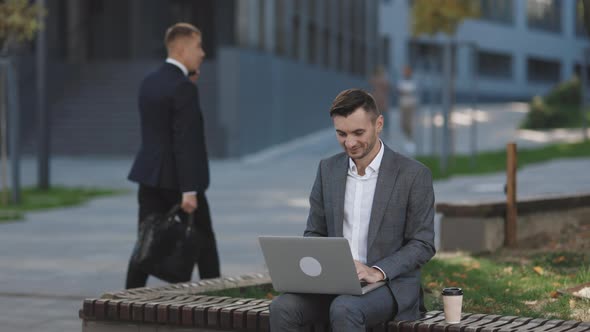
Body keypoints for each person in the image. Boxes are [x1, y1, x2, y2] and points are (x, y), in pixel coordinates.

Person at [269, 89, 435, 331]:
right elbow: (315, 233)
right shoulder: (328, 170)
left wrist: (377, 271)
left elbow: (423, 243)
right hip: (334, 282)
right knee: (282, 308)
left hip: (389, 285)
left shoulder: (413, 174)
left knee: (345, 308)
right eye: (341, 133)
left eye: (358, 133)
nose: (350, 142)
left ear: (378, 124)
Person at [125, 22, 220, 289]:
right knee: (205, 241)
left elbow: (161, 130)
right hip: (179, 182)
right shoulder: (183, 88)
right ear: (180, 49)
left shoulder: (150, 82)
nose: (202, 53)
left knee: (145, 240)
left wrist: (186, 83)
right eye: (198, 46)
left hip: (149, 177)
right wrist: (189, 190)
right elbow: (185, 140)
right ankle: (219, 300)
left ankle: (127, 299)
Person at [397, 66, 418, 154]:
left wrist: (405, 92)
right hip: (403, 105)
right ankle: (406, 139)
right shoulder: (401, 81)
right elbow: (400, 91)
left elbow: (412, 91)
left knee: (409, 124)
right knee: (403, 124)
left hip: (411, 105)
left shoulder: (413, 82)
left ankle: (410, 141)